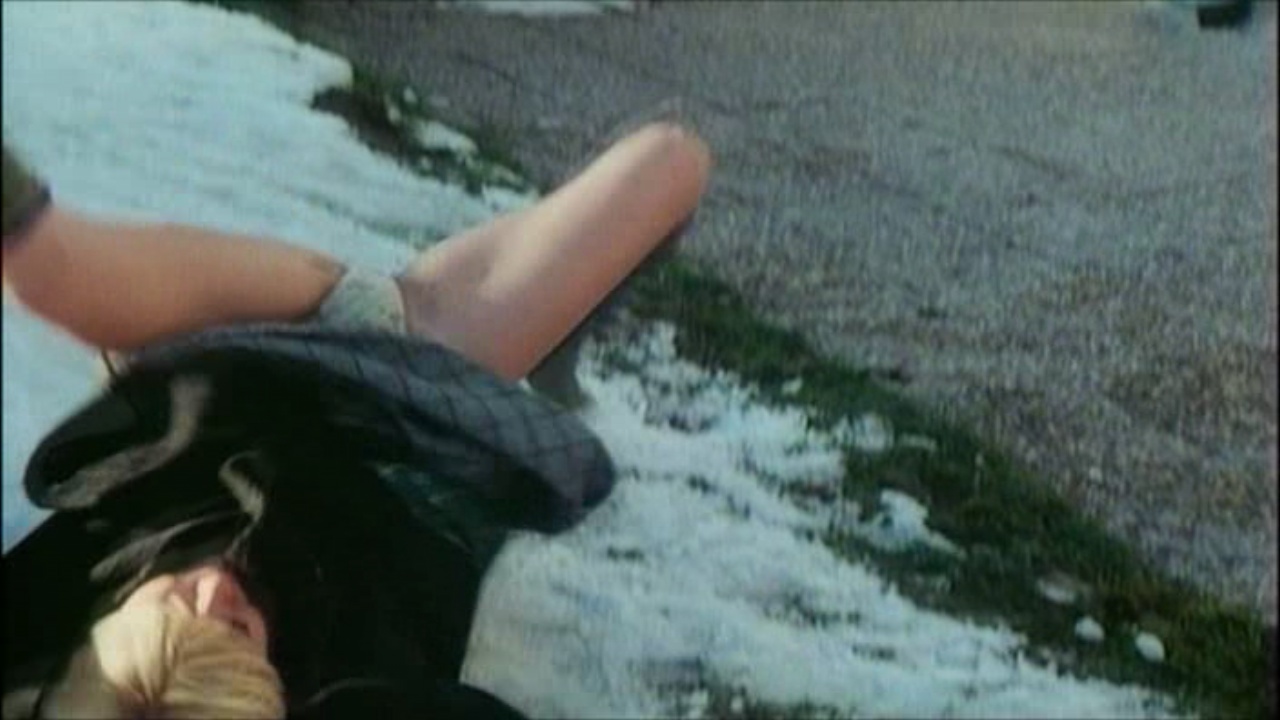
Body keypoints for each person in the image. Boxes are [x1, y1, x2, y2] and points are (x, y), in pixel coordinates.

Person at [2, 118, 711, 718]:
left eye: (174, 602)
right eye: (236, 630)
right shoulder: (363, 692)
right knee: (671, 159)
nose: (215, 586)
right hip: (401, 402)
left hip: (223, 374)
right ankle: (537, 338)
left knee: (46, 271)